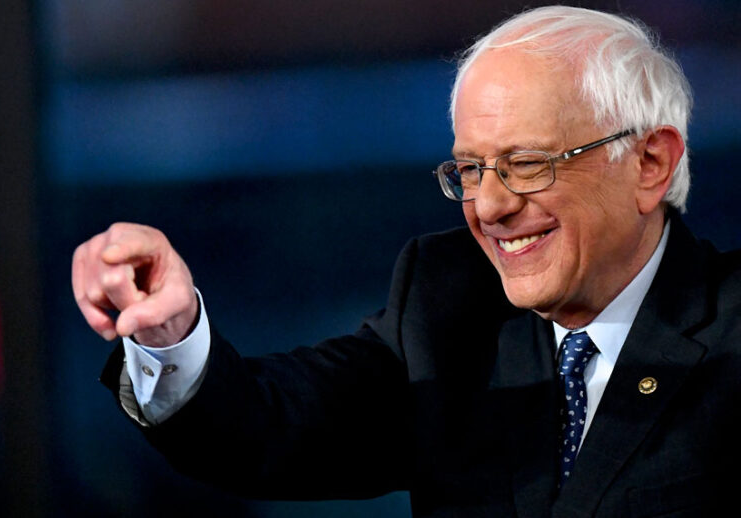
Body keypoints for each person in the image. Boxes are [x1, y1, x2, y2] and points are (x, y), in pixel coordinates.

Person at [72, 5, 741, 517]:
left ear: (650, 163)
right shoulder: (448, 308)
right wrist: (172, 332)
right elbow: (265, 427)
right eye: (472, 170)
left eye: (529, 164)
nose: (491, 206)